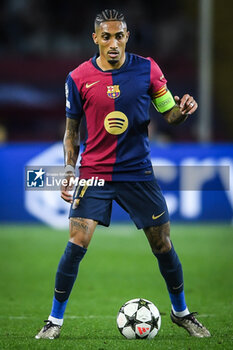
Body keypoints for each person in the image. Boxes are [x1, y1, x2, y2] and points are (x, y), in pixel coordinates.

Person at [35, 9, 210, 339]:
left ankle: (181, 312)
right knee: (77, 242)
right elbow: (71, 132)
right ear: (96, 39)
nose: (113, 43)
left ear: (127, 36)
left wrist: (182, 112)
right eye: (107, 37)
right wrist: (69, 170)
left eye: (119, 36)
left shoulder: (147, 69)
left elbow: (168, 114)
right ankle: (54, 321)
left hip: (138, 172)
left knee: (162, 244)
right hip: (94, 172)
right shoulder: (78, 77)